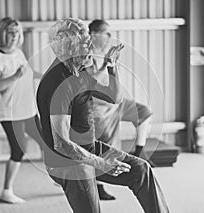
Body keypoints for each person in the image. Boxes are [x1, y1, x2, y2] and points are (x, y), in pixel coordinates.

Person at [37, 18, 170, 213]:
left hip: (89, 148)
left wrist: (111, 66)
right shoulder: (58, 83)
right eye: (84, 44)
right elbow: (61, 144)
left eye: (88, 41)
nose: (90, 47)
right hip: (67, 162)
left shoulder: (79, 71)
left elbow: (114, 97)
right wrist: (102, 163)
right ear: (67, 48)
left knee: (141, 170)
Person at [87, 19, 153, 200]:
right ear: (93, 34)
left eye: (110, 33)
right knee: (104, 143)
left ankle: (139, 153)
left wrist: (112, 64)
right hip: (97, 107)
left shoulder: (108, 54)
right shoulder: (85, 56)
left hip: (117, 102)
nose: (109, 37)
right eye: (104, 33)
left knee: (144, 112)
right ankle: (98, 185)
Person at [0, 17, 43, 204]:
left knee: (47, 142)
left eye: (17, 32)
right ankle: (6, 191)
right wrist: (14, 77)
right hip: (10, 113)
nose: (14, 36)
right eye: (10, 32)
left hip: (27, 109)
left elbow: (26, 72)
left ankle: (59, 179)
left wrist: (44, 76)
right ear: (2, 33)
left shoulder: (18, 52)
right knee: (19, 149)